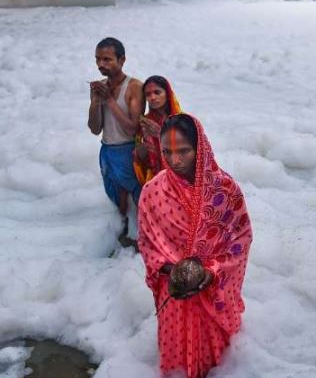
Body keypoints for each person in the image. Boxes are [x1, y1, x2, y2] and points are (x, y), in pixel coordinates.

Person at [138, 114, 252, 378]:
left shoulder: (224, 190)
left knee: (218, 363)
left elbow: (240, 239)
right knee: (177, 363)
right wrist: (173, 271)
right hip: (174, 291)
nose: (175, 160)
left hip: (212, 289)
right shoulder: (152, 191)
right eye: (167, 152)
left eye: (184, 151)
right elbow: (148, 244)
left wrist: (207, 271)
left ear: (200, 147)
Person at [88, 37, 144, 219]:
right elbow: (95, 129)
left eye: (106, 59)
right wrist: (96, 102)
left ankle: (140, 238)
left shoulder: (135, 87)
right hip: (107, 150)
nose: (100, 64)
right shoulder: (100, 87)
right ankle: (121, 234)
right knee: (119, 203)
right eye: (97, 59)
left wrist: (110, 101)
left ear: (122, 60)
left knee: (136, 199)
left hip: (128, 151)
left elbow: (132, 129)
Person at [133, 76, 182, 186]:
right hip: (155, 180)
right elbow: (140, 158)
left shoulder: (182, 121)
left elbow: (190, 151)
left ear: (168, 94)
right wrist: (141, 152)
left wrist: (161, 134)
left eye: (157, 92)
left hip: (179, 179)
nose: (152, 97)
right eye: (148, 94)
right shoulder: (145, 123)